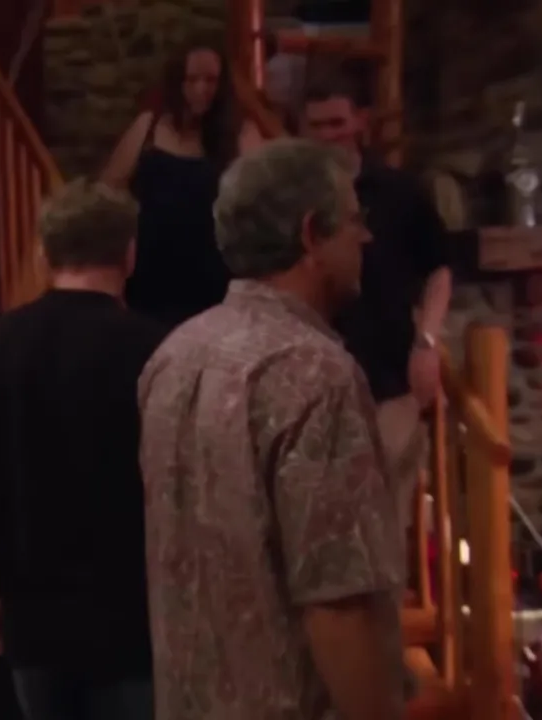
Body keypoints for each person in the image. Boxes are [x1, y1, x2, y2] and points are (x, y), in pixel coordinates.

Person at [137, 138, 407, 720]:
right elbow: (337, 602)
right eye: (353, 220)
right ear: (310, 235)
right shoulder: (313, 373)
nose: (366, 237)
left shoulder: (174, 355)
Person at [0, 179, 167, 720]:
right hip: (134, 622)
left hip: (33, 621)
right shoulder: (158, 351)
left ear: (43, 253)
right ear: (129, 254)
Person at [297, 74, 452, 537]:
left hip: (388, 377)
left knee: (383, 521)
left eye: (337, 123)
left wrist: (427, 342)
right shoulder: (292, 198)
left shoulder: (399, 191)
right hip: (313, 383)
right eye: (316, 126)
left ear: (360, 122)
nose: (328, 135)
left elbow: (439, 269)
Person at [100, 40, 262, 327]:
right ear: (177, 82)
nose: (201, 89)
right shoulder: (148, 128)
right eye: (192, 79)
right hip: (152, 274)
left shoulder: (240, 134)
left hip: (213, 274)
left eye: (211, 80)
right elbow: (108, 192)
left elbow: (264, 198)